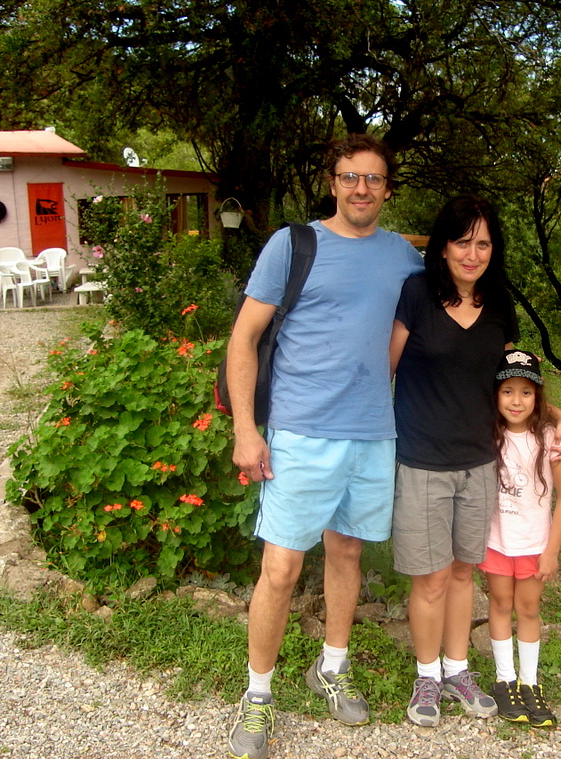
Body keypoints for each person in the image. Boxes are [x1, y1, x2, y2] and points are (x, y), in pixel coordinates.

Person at [226, 133, 424, 759]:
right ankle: (258, 693)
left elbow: (454, 315)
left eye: (373, 178)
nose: (361, 188)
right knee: (280, 569)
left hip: (372, 433)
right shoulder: (293, 246)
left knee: (347, 554)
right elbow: (244, 338)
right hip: (300, 434)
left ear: (387, 189)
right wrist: (245, 429)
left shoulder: (404, 258)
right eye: (350, 177)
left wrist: (541, 406)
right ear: (333, 183)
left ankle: (331, 667)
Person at [389, 195, 561, 728]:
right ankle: (427, 677)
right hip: (423, 460)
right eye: (463, 242)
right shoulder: (417, 293)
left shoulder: (498, 303)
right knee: (429, 578)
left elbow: (512, 378)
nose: (473, 254)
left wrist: (557, 413)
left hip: (480, 462)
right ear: (443, 246)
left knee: (462, 574)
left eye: (484, 244)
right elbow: (385, 370)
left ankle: (457, 670)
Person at [479, 349, 561, 728]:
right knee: (501, 603)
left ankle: (530, 682)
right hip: (496, 541)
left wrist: (552, 551)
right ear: (495, 394)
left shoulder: (552, 439)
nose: (516, 401)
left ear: (538, 395)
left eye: (526, 392)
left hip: (535, 544)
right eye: (507, 391)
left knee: (529, 609)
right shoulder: (487, 432)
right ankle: (505, 680)